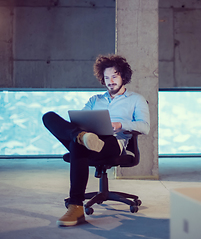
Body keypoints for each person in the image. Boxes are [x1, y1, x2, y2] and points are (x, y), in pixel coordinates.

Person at [42, 54, 150, 227]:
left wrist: (120, 124)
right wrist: (80, 131)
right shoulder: (95, 100)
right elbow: (79, 121)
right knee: (49, 117)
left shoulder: (136, 99)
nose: (110, 81)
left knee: (78, 146)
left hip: (113, 142)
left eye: (114, 76)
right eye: (106, 77)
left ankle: (76, 207)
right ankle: (81, 137)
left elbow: (145, 127)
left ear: (123, 76)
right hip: (89, 138)